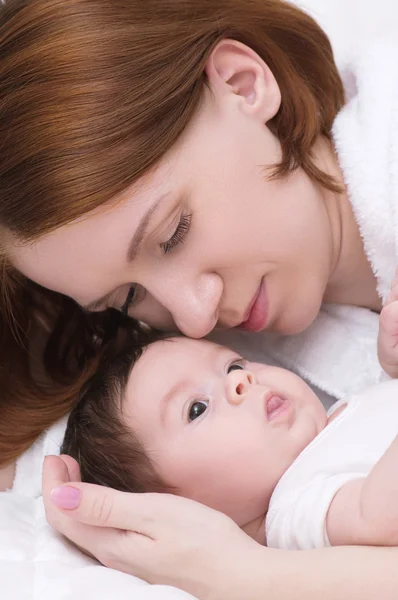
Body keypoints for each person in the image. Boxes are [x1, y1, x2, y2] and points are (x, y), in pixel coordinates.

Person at [2, 0, 398, 597]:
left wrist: (254, 580)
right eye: (128, 296)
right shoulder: (218, 373)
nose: (194, 315)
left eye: (174, 233)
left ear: (244, 85)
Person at [60, 305, 398, 551]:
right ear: (181, 510)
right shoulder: (292, 509)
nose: (241, 379)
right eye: (197, 408)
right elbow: (378, 518)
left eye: (233, 364)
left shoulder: (340, 414)